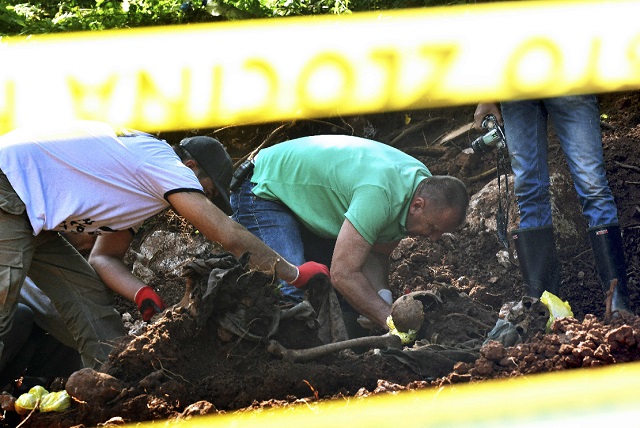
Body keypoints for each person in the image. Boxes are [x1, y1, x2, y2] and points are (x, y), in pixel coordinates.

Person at [0, 120, 329, 371]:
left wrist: (141, 293)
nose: (203, 203)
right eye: (209, 193)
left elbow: (102, 258)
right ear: (191, 169)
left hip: (32, 214)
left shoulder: (136, 189)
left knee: (91, 309)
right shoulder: (163, 167)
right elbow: (226, 235)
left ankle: (118, 388)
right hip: (9, 185)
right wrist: (293, 273)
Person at [230, 134, 469, 336]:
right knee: (291, 288)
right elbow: (343, 274)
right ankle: (282, 364)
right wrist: (391, 323)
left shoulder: (420, 184)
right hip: (262, 188)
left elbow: (377, 252)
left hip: (304, 199)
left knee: (347, 302)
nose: (435, 238)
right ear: (418, 205)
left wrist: (383, 300)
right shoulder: (380, 195)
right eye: (433, 228)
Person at [474, 95, 633, 315]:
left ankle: (616, 301)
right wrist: (487, 96)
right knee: (529, 190)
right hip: (517, 87)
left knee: (592, 184)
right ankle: (541, 305)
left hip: (569, 79)